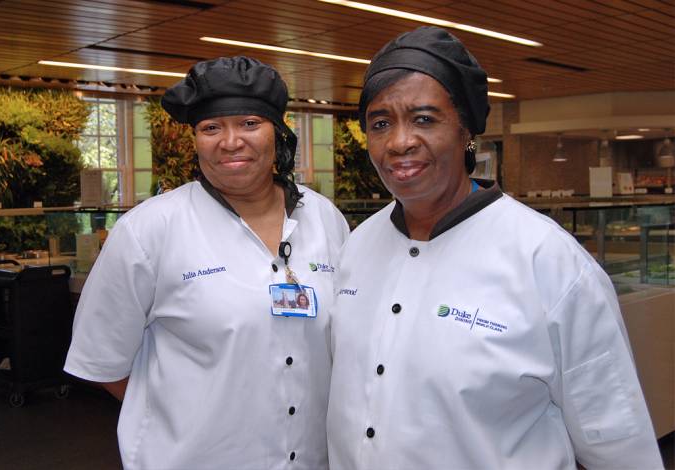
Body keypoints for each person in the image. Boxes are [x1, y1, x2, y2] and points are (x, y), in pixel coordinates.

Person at [326, 26, 662, 470]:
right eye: (380, 123)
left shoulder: (547, 259)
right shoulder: (359, 244)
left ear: (467, 130)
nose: (399, 142)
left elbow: (618, 441)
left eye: (425, 118)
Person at [64, 56, 349, 470]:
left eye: (250, 123)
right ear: (195, 139)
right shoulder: (149, 230)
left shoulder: (326, 220)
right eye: (211, 127)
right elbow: (104, 362)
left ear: (279, 133)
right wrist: (187, 412)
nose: (230, 141)